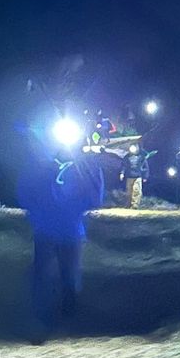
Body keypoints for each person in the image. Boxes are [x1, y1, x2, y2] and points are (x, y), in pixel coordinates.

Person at [17, 149, 105, 333]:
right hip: (53, 230)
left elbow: (95, 199)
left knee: (66, 278)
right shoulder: (43, 165)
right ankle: (43, 320)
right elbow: (25, 191)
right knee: (47, 276)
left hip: (66, 231)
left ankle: (64, 319)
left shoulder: (81, 168)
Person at [123, 143, 148, 209]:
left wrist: (145, 176)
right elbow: (124, 166)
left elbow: (146, 167)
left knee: (136, 191)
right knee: (129, 191)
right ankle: (128, 204)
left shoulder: (141, 157)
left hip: (138, 177)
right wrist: (122, 173)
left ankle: (135, 205)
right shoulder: (126, 157)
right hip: (129, 176)